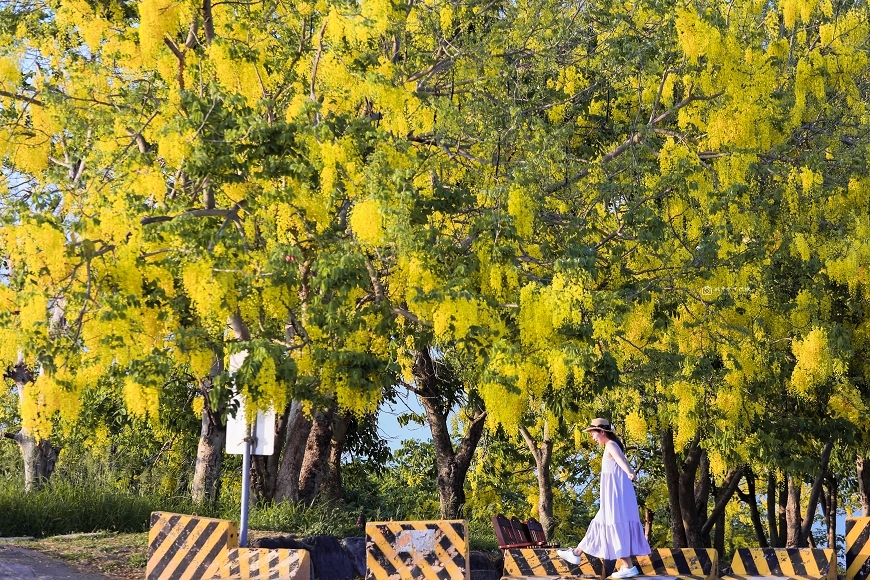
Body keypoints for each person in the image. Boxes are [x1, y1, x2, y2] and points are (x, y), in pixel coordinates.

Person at [557, 417, 650, 579]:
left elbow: (621, 461)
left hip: (616, 498)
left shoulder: (611, 445)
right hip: (614, 497)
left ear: (602, 432)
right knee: (599, 524)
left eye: (594, 433)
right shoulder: (610, 446)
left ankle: (628, 566)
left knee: (612, 526)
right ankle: (577, 553)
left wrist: (629, 472)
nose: (593, 437)